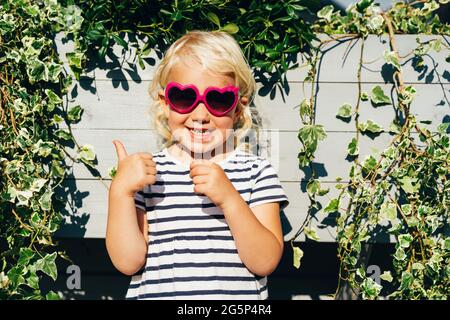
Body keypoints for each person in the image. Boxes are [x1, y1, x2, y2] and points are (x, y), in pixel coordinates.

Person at [106, 30, 289, 300]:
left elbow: (264, 262)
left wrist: (230, 199)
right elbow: (127, 262)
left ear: (238, 108)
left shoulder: (257, 173)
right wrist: (120, 192)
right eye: (184, 97)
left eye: (218, 100)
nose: (200, 115)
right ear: (165, 103)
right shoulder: (148, 175)